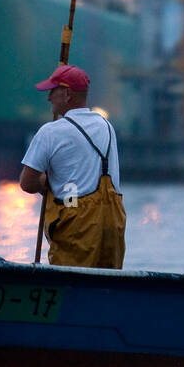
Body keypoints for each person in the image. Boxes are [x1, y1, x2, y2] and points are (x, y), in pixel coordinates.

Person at [19, 64, 126, 269]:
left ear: (67, 94)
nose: (48, 97)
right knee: (106, 287)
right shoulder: (107, 127)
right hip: (113, 222)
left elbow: (27, 183)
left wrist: (49, 180)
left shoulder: (50, 132)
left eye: (52, 91)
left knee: (72, 283)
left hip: (77, 225)